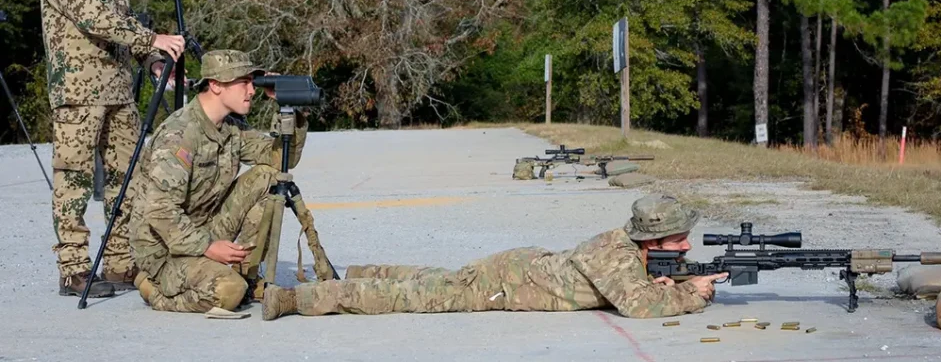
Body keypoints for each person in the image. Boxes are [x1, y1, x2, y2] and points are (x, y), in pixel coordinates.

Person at [39, 0, 186, 298]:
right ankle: (73, 269)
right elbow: (93, 18)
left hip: (119, 89)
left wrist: (152, 59)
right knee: (75, 180)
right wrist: (152, 39)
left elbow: (123, 22)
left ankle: (121, 262)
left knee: (132, 175)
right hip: (79, 92)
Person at [261, 193, 729, 320]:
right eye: (678, 241)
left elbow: (644, 286)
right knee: (403, 298)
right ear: (652, 241)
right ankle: (291, 299)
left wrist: (675, 281)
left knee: (435, 278)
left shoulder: (631, 253)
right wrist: (692, 296)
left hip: (516, 269)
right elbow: (641, 307)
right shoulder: (614, 254)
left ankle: (359, 270)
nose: (687, 247)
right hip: (502, 286)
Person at [129, 50, 308, 315]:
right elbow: (161, 212)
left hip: (201, 229)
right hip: (164, 250)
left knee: (269, 177)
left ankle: (247, 275)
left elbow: (281, 159)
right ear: (215, 85)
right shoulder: (179, 135)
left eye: (254, 82)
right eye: (244, 82)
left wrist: (290, 108)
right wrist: (209, 247)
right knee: (228, 292)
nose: (252, 90)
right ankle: (154, 289)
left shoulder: (231, 127)